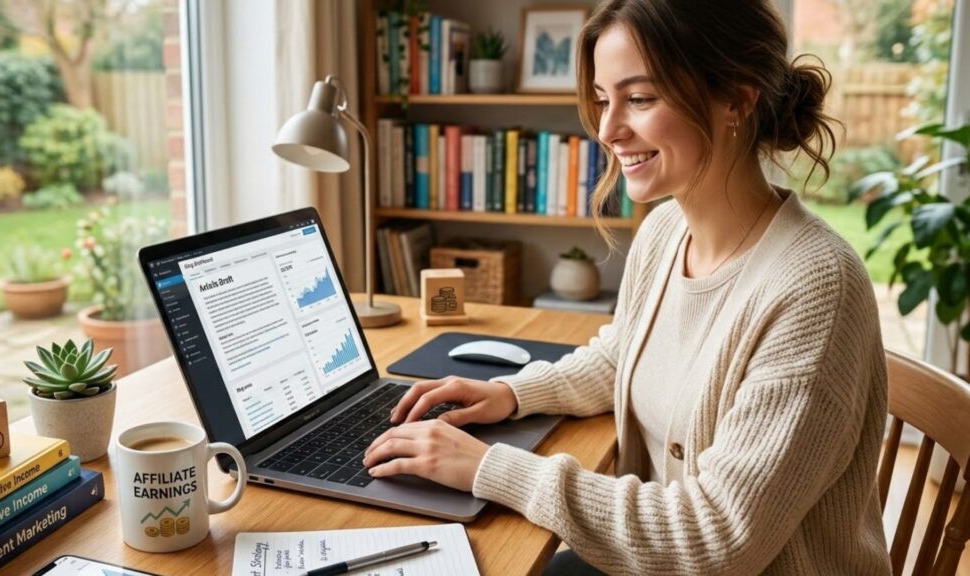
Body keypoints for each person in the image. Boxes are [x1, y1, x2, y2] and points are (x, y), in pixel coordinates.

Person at [362, 0, 891, 573]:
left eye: (639, 99)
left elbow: (716, 540)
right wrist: (511, 394)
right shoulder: (667, 229)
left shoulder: (815, 287)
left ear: (736, 99)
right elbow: (625, 354)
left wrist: (491, 468)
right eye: (603, 99)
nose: (609, 130)